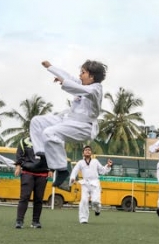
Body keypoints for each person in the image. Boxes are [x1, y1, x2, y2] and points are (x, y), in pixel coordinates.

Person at [28, 60, 106, 191]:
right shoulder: (83, 84)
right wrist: (50, 67)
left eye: (83, 72)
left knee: (49, 133)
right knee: (36, 121)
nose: (80, 75)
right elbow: (69, 78)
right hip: (69, 120)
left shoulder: (95, 89)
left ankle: (62, 169)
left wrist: (64, 83)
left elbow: (76, 86)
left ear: (91, 76)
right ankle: (42, 156)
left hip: (83, 127)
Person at [69, 145, 112, 224]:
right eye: (86, 150)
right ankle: (83, 219)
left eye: (89, 150)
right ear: (83, 153)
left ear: (91, 152)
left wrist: (108, 166)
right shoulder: (80, 162)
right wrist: (72, 178)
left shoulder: (95, 161)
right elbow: (75, 171)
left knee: (95, 201)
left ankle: (97, 210)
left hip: (95, 183)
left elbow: (102, 170)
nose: (87, 151)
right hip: (85, 183)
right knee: (84, 201)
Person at [14, 137, 48, 229]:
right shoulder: (24, 141)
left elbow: (52, 155)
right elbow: (19, 154)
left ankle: (35, 221)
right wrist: (18, 166)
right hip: (27, 172)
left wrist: (52, 169)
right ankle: (19, 221)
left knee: (39, 199)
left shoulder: (47, 140)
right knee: (24, 196)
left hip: (42, 173)